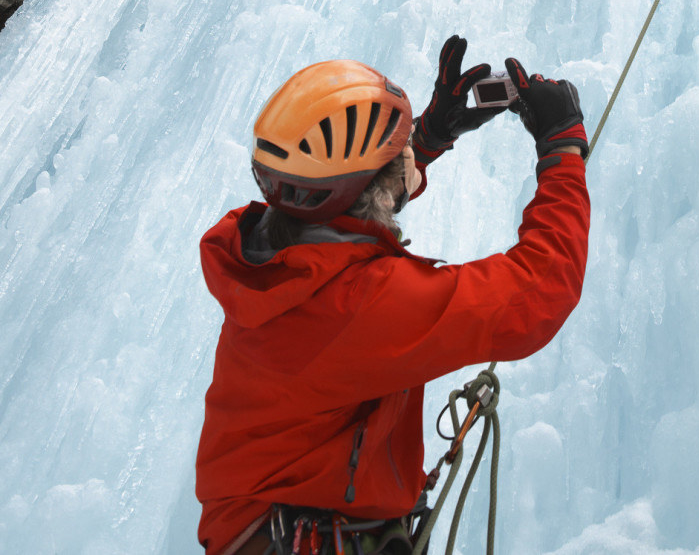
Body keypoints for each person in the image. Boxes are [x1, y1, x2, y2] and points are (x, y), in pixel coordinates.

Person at [196, 36, 589, 555]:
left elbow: (353, 204)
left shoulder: (271, 253)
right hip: (301, 534)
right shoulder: (357, 304)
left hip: (268, 524)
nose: (407, 156)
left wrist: (428, 137)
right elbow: (538, 293)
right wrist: (562, 148)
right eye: (397, 151)